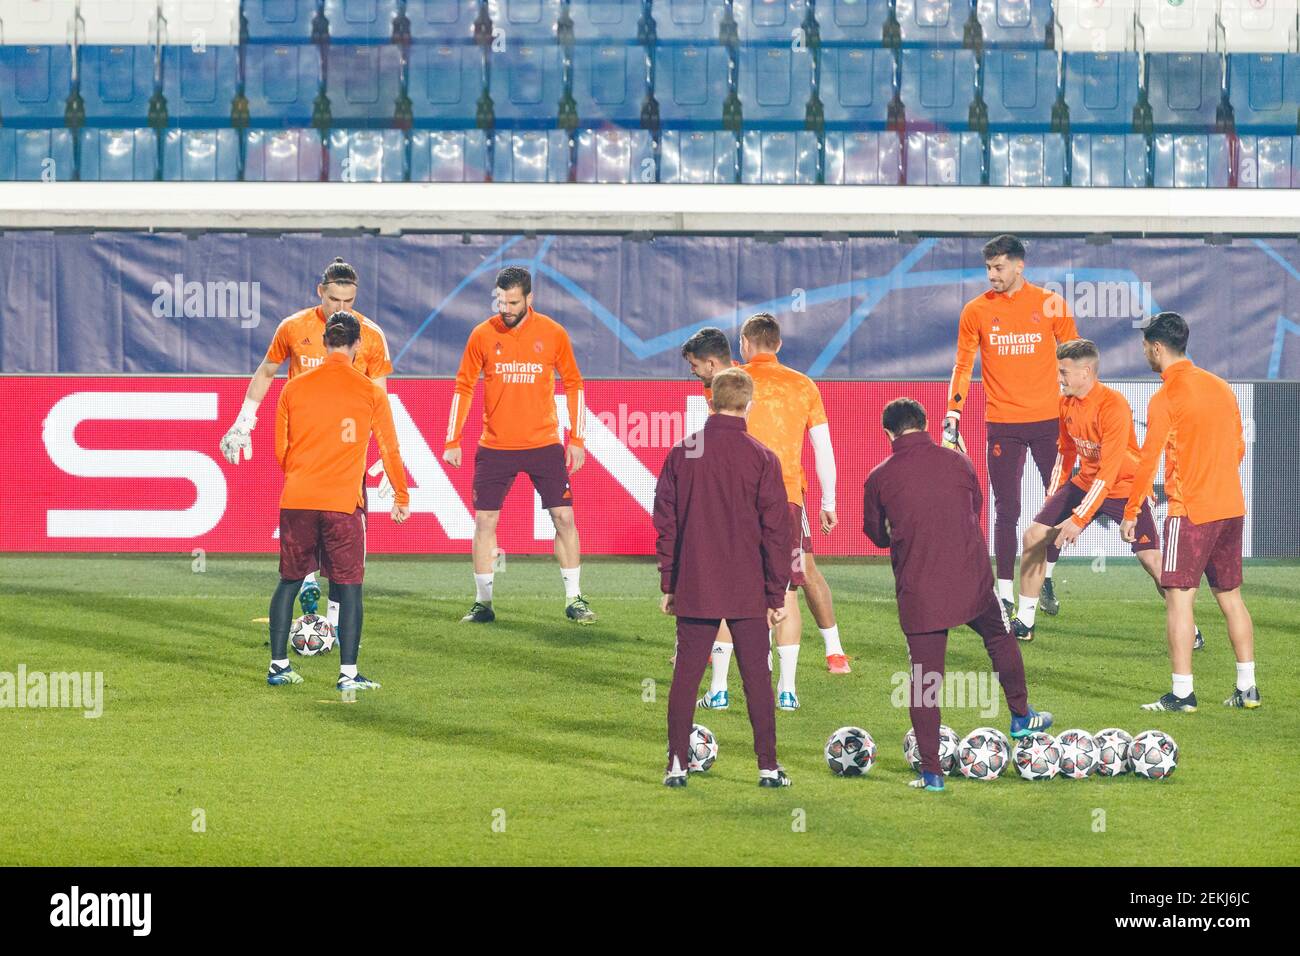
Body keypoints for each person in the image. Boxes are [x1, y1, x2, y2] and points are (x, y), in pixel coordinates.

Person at [863, 398, 1053, 792]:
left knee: (924, 680)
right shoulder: (959, 462)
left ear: (888, 434)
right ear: (926, 423)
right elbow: (976, 507)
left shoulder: (878, 477)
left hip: (920, 591)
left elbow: (876, 534)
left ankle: (932, 773)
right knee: (999, 638)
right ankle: (1020, 715)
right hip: (972, 581)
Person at [220, 257, 394, 627]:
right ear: (321, 293)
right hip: (306, 448)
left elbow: (380, 396)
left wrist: (386, 453)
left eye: (349, 302)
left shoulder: (370, 336)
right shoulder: (294, 327)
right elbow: (268, 370)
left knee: (346, 544)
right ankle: (307, 581)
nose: (342, 309)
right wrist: (244, 419)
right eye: (334, 300)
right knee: (306, 526)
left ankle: (330, 621)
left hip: (347, 454)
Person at [681, 326, 850, 683]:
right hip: (787, 495)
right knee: (796, 575)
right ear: (780, 343)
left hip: (739, 496)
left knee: (732, 577)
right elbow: (824, 447)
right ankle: (829, 655)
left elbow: (714, 440)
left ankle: (726, 675)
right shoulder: (803, 384)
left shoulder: (733, 384)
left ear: (744, 344)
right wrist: (829, 500)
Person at [654, 368, 792, 788]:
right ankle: (767, 767)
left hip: (696, 583)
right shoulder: (763, 457)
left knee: (686, 676)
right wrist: (776, 593)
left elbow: (666, 523)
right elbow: (776, 532)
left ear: (709, 400)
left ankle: (677, 765)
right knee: (757, 679)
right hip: (748, 588)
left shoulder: (683, 452)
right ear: (749, 405)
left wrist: (669, 582)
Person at [1011, 339, 1200, 645]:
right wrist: (1053, 495)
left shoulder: (1113, 406)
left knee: (1153, 562)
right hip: (1086, 482)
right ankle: (1025, 621)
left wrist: (1078, 519)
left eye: (1064, 372)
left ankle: (1189, 629)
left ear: (1086, 372)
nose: (1059, 378)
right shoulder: (1066, 402)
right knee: (1034, 536)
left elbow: (1109, 473)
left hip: (1124, 486)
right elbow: (1066, 451)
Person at [1119, 312, 1260, 712]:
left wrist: (1132, 511)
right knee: (1230, 596)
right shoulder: (1220, 387)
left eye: (1146, 347)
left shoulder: (1166, 396)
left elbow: (1147, 460)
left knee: (1179, 599)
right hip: (1230, 506)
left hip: (1190, 510)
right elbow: (1238, 448)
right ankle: (1247, 688)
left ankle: (1182, 693)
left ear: (1157, 348)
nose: (1145, 353)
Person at [443, 266, 595, 625]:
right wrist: (452, 439)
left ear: (529, 298)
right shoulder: (481, 334)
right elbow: (463, 386)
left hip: (544, 444)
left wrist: (576, 439)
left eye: (513, 301)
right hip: (495, 446)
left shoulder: (553, 333)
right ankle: (483, 602)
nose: (505, 308)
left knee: (564, 517)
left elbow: (574, 384)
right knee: (485, 522)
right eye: (500, 300)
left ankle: (575, 599)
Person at [268, 312, 410, 691]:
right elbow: (390, 448)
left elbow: (280, 451)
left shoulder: (293, 389)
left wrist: (302, 473)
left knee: (288, 581)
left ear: (325, 341)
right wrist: (401, 493)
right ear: (357, 344)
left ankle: (278, 666)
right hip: (342, 503)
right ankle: (348, 674)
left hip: (297, 498)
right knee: (349, 587)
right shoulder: (370, 391)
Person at [945, 235, 1079, 619]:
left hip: (1050, 422)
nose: (992, 275)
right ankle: (1003, 594)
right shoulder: (975, 310)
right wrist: (953, 412)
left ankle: (1045, 577)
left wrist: (1078, 410)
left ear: (1020, 266)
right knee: (1007, 508)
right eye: (988, 268)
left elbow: (1075, 358)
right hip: (1001, 421)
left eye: (999, 267)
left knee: (1059, 504)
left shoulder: (1051, 303)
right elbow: (962, 366)